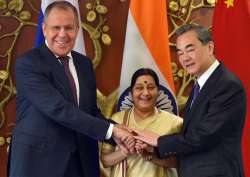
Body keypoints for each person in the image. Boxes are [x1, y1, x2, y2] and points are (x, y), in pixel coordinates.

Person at [7, 1, 134, 177]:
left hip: (81, 162)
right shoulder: (28, 64)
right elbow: (59, 109)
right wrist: (112, 131)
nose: (62, 34)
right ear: (44, 29)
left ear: (77, 29)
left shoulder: (84, 64)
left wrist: (122, 133)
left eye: (68, 27)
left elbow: (89, 111)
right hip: (40, 164)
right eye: (56, 28)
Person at [133, 24, 247, 177]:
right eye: (180, 53)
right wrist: (155, 151)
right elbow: (192, 138)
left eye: (190, 49)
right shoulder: (200, 85)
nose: (184, 58)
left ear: (210, 48)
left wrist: (159, 141)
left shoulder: (227, 85)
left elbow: (203, 136)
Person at [101, 68, 183, 177]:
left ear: (158, 92)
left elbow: (180, 163)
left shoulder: (175, 123)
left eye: (151, 87)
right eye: (139, 88)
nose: (145, 93)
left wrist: (152, 155)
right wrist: (125, 151)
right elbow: (105, 161)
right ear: (131, 92)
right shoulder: (117, 120)